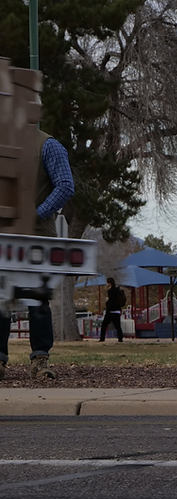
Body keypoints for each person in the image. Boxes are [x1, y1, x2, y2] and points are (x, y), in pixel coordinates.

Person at [0, 131, 75, 381]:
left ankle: (40, 360)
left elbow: (65, 185)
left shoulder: (48, 145)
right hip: (4, 237)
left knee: (37, 300)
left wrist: (35, 214)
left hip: (37, 237)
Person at [99, 278, 126, 343]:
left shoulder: (111, 291)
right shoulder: (118, 290)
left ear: (109, 283)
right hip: (117, 310)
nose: (106, 284)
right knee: (118, 326)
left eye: (107, 282)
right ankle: (120, 338)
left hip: (111, 311)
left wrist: (107, 306)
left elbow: (111, 301)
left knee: (104, 325)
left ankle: (102, 338)